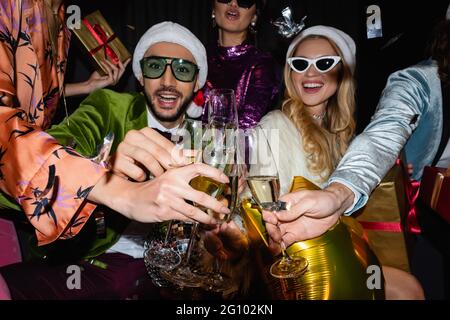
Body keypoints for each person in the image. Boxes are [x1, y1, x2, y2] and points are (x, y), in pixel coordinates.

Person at [0, 21, 235, 300]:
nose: (168, 82)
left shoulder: (208, 139)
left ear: (196, 82)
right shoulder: (110, 107)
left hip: (175, 276)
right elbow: (21, 167)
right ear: (140, 76)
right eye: (155, 67)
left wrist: (216, 223)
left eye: (182, 70)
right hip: (97, 263)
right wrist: (105, 168)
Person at [193, 0, 280, 129]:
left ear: (254, 16)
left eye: (243, 1)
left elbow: (248, 124)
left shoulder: (262, 63)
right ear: (213, 8)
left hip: (237, 147)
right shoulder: (196, 56)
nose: (233, 3)